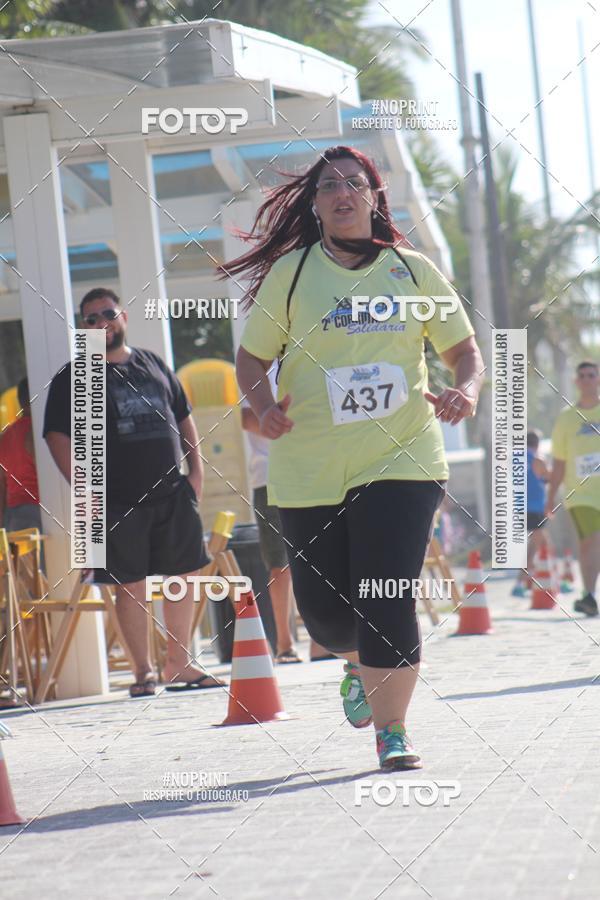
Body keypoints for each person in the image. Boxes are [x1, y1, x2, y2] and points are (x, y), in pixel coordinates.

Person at [230, 145, 483, 770]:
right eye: (327, 187)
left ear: (375, 194)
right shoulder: (291, 275)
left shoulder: (412, 270)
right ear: (314, 206)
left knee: (387, 593)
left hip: (401, 459)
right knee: (329, 623)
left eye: (353, 183)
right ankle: (354, 664)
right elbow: (251, 360)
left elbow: (465, 352)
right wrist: (262, 409)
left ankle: (392, 730)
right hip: (308, 466)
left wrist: (467, 390)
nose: (342, 194)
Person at [43, 288, 225, 696]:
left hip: (172, 492)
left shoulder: (153, 363)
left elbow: (184, 417)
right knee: (129, 584)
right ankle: (143, 672)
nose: (100, 323)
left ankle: (179, 665)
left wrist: (196, 472)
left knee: (184, 576)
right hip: (115, 499)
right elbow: (56, 435)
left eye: (107, 313)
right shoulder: (76, 375)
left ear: (123, 316)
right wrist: (84, 486)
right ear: (82, 327)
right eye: (90, 319)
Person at [241, 365, 335, 663]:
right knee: (279, 565)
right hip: (269, 478)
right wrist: (282, 420)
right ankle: (284, 643)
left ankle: (321, 641)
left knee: (319, 559)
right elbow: (244, 418)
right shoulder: (255, 367)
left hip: (314, 472)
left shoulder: (314, 359)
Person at [546, 360, 600, 616]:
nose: (588, 380)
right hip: (581, 495)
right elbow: (559, 462)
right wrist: (550, 499)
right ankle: (588, 596)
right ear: (577, 382)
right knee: (591, 541)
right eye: (583, 376)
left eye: (592, 375)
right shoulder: (567, 419)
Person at [512, 429, 553, 597]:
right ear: (537, 444)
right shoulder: (538, 460)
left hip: (520, 507)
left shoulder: (515, 460)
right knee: (534, 547)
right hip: (536, 508)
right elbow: (549, 478)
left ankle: (552, 579)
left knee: (545, 544)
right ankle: (520, 583)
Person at [0, 378, 41, 534]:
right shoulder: (37, 431)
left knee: (21, 559)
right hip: (38, 512)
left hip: (13, 516)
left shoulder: (5, 435)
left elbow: (1, 486)